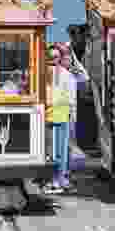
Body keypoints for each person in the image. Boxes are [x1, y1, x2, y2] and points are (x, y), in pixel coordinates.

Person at [44, 44, 75, 194]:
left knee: (60, 150)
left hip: (61, 116)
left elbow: (70, 98)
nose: (52, 59)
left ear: (60, 58)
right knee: (49, 151)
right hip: (46, 116)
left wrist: (71, 116)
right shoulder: (42, 73)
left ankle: (59, 179)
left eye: (55, 57)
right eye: (50, 56)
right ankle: (52, 179)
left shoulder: (66, 75)